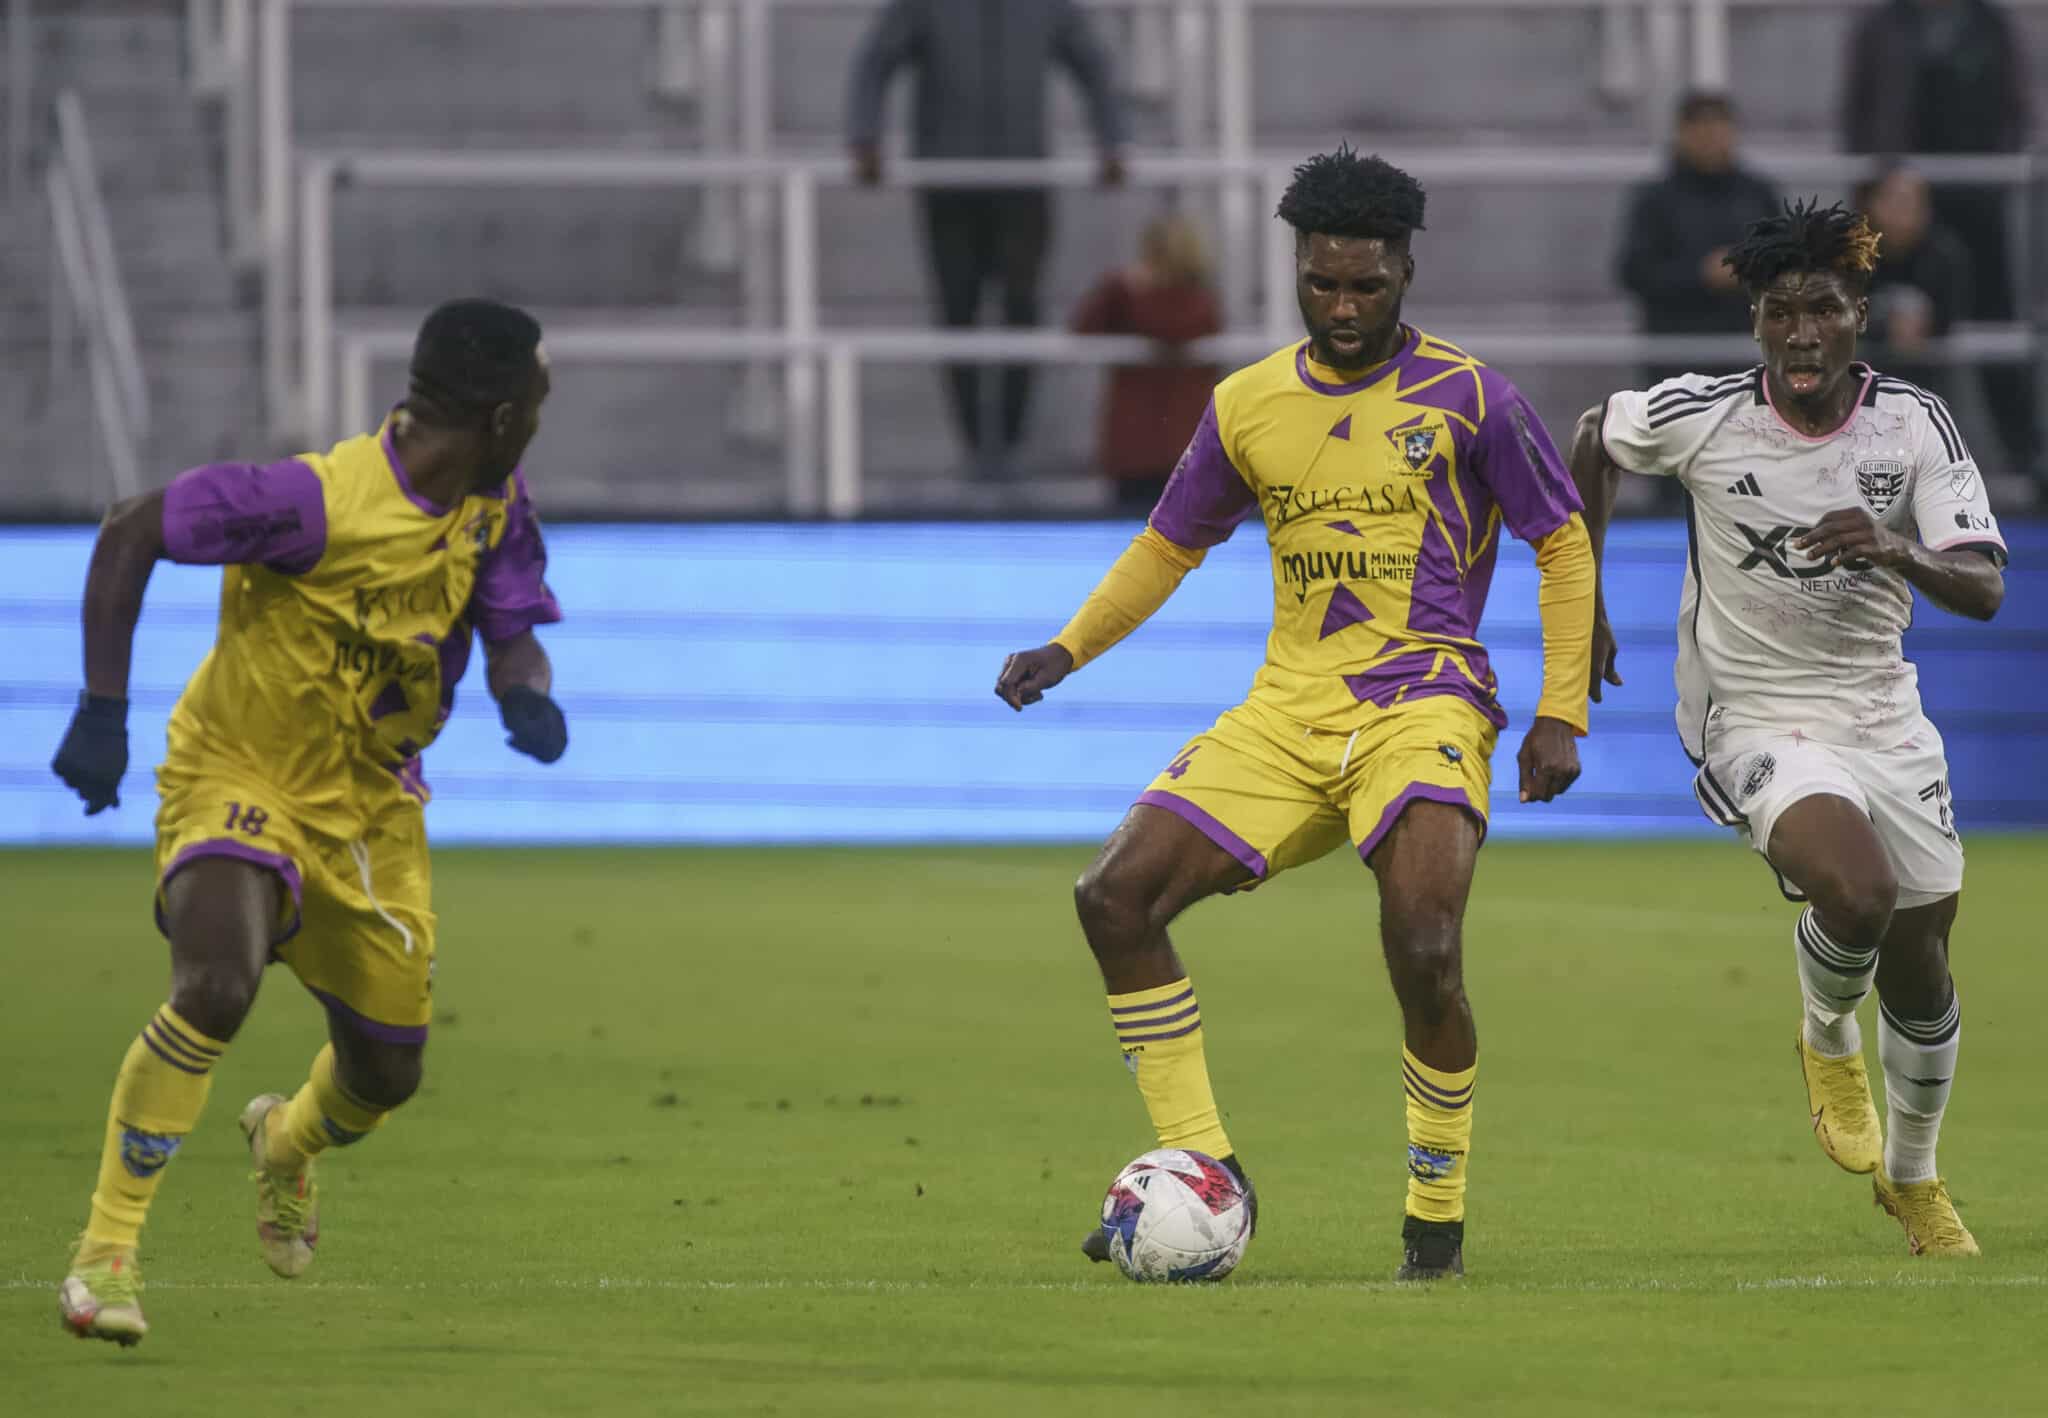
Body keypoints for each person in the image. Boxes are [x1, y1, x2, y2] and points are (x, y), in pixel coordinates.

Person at [995, 147, 1595, 1282]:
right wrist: (1068, 646)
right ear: (1297, 273)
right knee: (1112, 898)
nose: (1344, 306)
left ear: (1406, 270)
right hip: (1285, 714)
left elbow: (1560, 543)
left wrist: (1558, 710)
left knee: (1424, 944)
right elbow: (1167, 544)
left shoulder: (1473, 398)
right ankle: (1208, 1170)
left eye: (1366, 284)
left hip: (1423, 703)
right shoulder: (1246, 404)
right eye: (1323, 284)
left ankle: (1434, 1221)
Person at [48, 299, 570, 1345]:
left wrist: (525, 693)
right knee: (216, 985)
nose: (540, 422)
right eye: (538, 404)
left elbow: (511, 628)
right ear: (502, 415)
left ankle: (284, 1143)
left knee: (386, 1072)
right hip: (239, 766)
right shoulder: (311, 501)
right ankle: (105, 1251)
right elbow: (132, 527)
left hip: (371, 809)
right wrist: (102, 711)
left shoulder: (494, 506)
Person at [1568, 201, 2008, 1257]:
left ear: (1859, 314)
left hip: (1881, 714)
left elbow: (1985, 585)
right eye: (1778, 313)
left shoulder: (1913, 425)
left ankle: (1913, 1178)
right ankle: (1824, 1036)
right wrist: (1579, 598)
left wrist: (1895, 550)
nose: (1800, 334)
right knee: (1855, 891)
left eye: (1822, 310)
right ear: (1754, 322)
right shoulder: (1705, 414)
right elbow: (1593, 437)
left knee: (1921, 965)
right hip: (1753, 711)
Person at [846, 0, 1129, 473]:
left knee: (1022, 308)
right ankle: (976, 444)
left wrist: (1113, 140)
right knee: (957, 312)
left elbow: (1091, 62)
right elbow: (876, 59)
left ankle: (1010, 441)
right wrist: (865, 137)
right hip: (948, 187)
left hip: (1023, 185)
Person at [1844, 0, 2039, 484]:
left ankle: (2026, 457)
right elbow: (1859, 108)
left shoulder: (1989, 24)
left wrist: (1995, 171)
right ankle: (1860, 458)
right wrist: (1876, 186)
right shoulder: (1883, 25)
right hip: (1899, 199)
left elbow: (2016, 107)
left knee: (1994, 319)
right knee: (1884, 326)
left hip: (1978, 199)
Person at [1617, 92, 1782, 511]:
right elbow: (1633, 272)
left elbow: (1788, 264)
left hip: (1748, 358)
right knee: (1676, 479)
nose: (1711, 137)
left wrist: (1748, 271)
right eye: (1700, 127)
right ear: (1681, 133)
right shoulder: (1655, 199)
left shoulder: (1759, 194)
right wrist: (1700, 275)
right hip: (1675, 362)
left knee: (1749, 478)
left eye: (1719, 126)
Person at [1071, 212, 1223, 514]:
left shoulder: (1188, 303)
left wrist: (1127, 288)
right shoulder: (1130, 299)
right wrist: (1119, 288)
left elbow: (1170, 329)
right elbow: (1083, 327)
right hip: (1146, 452)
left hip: (1168, 451)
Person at [1857, 162, 1974, 402]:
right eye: (1895, 201)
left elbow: (1954, 312)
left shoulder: (1945, 255)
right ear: (1871, 203)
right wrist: (1883, 327)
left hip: (1932, 384)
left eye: (1913, 203)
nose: (1903, 213)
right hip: (1860, 384)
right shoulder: (1848, 255)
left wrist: (1927, 324)